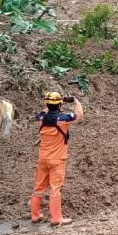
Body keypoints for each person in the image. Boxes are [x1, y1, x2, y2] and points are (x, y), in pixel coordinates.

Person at [31, 92, 83, 226]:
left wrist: (52, 103)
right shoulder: (63, 118)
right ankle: (56, 218)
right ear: (59, 104)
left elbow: (45, 111)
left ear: (46, 103)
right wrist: (75, 101)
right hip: (57, 160)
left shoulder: (41, 117)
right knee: (55, 188)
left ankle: (35, 215)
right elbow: (79, 115)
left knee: (38, 187)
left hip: (43, 159)